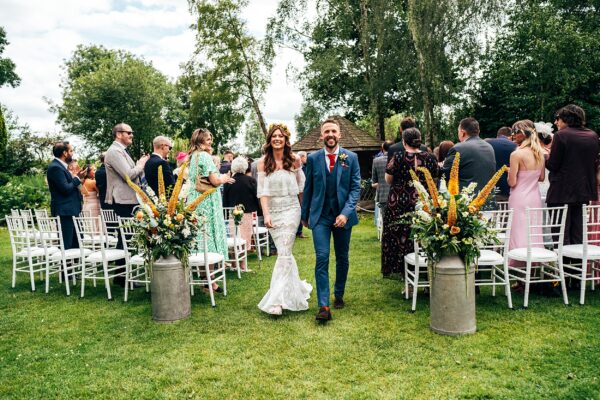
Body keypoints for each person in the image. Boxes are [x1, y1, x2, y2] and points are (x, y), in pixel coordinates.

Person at [301, 118, 361, 322]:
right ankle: (323, 305)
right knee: (322, 257)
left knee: (342, 257)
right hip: (321, 217)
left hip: (343, 216)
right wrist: (304, 215)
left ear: (339, 134)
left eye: (333, 131)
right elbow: (308, 188)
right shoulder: (313, 158)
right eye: (326, 131)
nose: (330, 135)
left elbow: (355, 189)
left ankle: (339, 294)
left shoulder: (350, 157)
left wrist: (345, 213)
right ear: (321, 136)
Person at [257, 124, 312, 315]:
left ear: (286, 139)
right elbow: (262, 193)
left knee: (284, 252)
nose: (277, 139)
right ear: (270, 140)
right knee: (283, 253)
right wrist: (267, 215)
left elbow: (301, 189)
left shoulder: (295, 160)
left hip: (291, 210)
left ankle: (277, 301)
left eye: (280, 136)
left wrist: (304, 214)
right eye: (274, 136)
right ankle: (295, 289)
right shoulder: (263, 163)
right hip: (273, 211)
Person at [381, 128, 439, 279]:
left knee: (400, 236)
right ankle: (425, 272)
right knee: (423, 235)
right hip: (423, 200)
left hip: (399, 202)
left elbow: (388, 179)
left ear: (403, 141)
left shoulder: (398, 156)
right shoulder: (431, 157)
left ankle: (402, 271)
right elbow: (434, 179)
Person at [186, 128, 235, 292]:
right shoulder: (205, 157)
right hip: (207, 200)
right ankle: (210, 280)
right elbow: (214, 181)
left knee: (200, 235)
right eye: (208, 139)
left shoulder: (192, 157)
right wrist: (225, 178)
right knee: (210, 235)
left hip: (195, 199)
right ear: (200, 141)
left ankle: (204, 277)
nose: (211, 142)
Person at [546, 104, 599, 246]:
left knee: (560, 233)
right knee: (577, 233)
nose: (556, 122)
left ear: (566, 119)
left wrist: (545, 156)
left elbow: (553, 165)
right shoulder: (593, 136)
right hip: (583, 191)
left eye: (558, 118)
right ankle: (576, 266)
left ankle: (562, 266)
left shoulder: (561, 136)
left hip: (560, 192)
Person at [104, 122, 149, 287]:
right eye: (128, 133)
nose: (131, 135)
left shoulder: (121, 151)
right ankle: (123, 277)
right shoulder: (114, 151)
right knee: (126, 238)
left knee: (126, 238)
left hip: (129, 198)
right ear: (118, 134)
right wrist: (141, 165)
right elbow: (129, 175)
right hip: (123, 199)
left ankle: (121, 275)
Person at [507, 120, 546, 268]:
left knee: (518, 231)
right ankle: (533, 265)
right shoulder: (539, 154)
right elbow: (541, 178)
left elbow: (512, 182)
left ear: (522, 134)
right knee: (533, 231)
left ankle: (519, 265)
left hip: (519, 198)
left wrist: (509, 173)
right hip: (534, 197)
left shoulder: (517, 154)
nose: (513, 136)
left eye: (515, 133)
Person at [46, 141, 88, 249]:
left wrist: (79, 177)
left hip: (71, 210)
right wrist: (77, 178)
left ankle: (75, 264)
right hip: (65, 211)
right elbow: (65, 189)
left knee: (76, 242)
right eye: (71, 151)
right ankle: (65, 265)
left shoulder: (62, 167)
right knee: (67, 244)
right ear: (65, 153)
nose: (72, 153)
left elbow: (70, 185)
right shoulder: (56, 167)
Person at [222, 156, 260, 272]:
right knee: (244, 238)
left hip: (232, 213)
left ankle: (234, 264)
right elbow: (256, 196)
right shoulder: (251, 180)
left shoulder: (229, 182)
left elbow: (225, 199)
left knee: (235, 238)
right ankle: (242, 265)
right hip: (246, 212)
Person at [442, 118, 496, 193]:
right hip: (487, 197)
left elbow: (445, 174)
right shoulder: (489, 147)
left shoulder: (458, 148)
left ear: (462, 132)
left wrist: (441, 166)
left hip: (465, 199)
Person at [486, 126, 517, 202]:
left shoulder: (487, 144)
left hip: (490, 187)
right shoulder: (516, 146)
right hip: (509, 188)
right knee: (508, 212)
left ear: (498, 135)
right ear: (511, 136)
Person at [371, 140, 392, 226]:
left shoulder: (376, 161)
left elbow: (374, 180)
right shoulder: (398, 159)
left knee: (386, 221)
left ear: (383, 149)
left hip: (383, 195)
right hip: (396, 194)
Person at [296, 151, 308, 238]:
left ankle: (299, 231)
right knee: (299, 211)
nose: (306, 159)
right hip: (299, 192)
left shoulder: (305, 167)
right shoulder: (300, 168)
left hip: (301, 191)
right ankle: (299, 231)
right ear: (302, 157)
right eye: (305, 157)